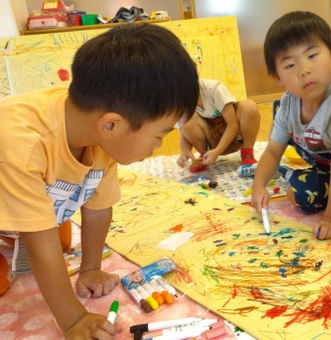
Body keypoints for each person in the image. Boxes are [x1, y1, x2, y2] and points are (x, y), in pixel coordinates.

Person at [0, 23, 198, 339]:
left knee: (56, 240)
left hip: (22, 204)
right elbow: (40, 247)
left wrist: (90, 268)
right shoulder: (22, 143)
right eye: (159, 136)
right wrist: (74, 320)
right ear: (111, 125)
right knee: (38, 252)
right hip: (8, 183)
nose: (158, 147)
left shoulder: (102, 133)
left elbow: (98, 206)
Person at [252, 11, 331, 240]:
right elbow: (273, 151)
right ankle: (288, 174)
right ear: (277, 77)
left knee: (301, 195)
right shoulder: (288, 103)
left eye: (312, 55)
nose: (304, 70)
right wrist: (258, 186)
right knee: (288, 180)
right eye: (290, 65)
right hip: (323, 166)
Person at [177, 78, 261, 176]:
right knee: (185, 119)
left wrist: (217, 152)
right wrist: (185, 150)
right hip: (211, 143)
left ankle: (247, 155)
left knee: (249, 106)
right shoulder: (177, 100)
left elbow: (232, 125)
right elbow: (183, 131)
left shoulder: (213, 89)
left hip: (235, 137)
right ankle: (205, 157)